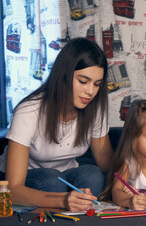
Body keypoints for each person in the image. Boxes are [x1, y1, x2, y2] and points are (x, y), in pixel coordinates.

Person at [0, 38, 114, 211]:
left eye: (97, 84)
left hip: (65, 176)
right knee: (51, 180)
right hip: (24, 181)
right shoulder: (28, 111)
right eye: (83, 81)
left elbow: (108, 164)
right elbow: (13, 189)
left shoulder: (95, 109)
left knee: (92, 175)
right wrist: (63, 200)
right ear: (64, 75)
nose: (90, 91)